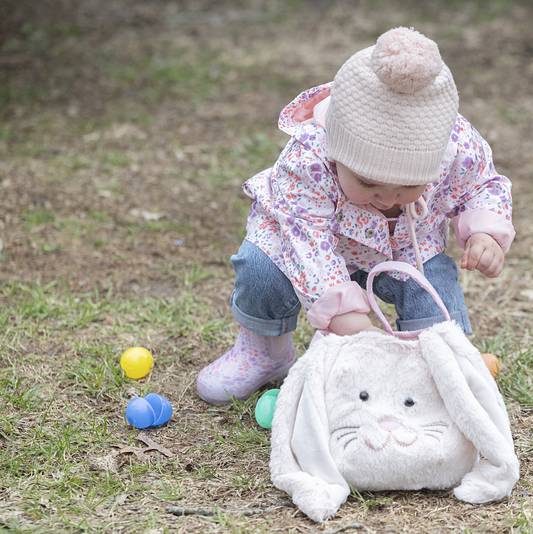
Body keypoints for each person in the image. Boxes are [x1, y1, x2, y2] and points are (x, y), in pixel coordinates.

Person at [196, 27, 515, 405]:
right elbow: (307, 243)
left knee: (430, 286)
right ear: (336, 153)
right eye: (368, 182)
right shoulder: (309, 159)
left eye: (405, 187)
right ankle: (265, 352)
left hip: (405, 247)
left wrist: (485, 232)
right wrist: (341, 312)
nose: (385, 198)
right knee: (261, 267)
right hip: (307, 246)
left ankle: (434, 361)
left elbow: (482, 184)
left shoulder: (454, 145)